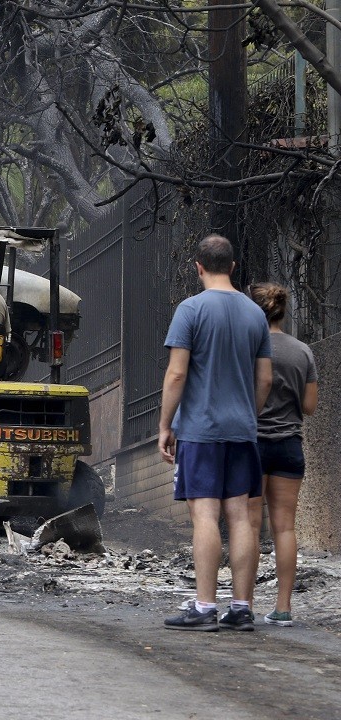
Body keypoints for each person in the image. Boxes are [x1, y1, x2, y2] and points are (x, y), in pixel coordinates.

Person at [159, 235, 272, 632]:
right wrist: (247, 415)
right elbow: (265, 378)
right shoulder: (256, 314)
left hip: (201, 431)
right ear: (234, 266)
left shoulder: (190, 310)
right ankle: (241, 608)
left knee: (205, 514)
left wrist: (164, 425)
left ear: (198, 267)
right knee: (241, 516)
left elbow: (177, 373)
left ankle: (205, 606)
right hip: (242, 431)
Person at [247, 283, 318, 627]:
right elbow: (310, 406)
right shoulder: (303, 352)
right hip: (290, 446)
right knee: (284, 528)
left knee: (248, 525)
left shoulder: (249, 349)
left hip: (254, 444)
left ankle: (242, 603)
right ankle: (283, 607)